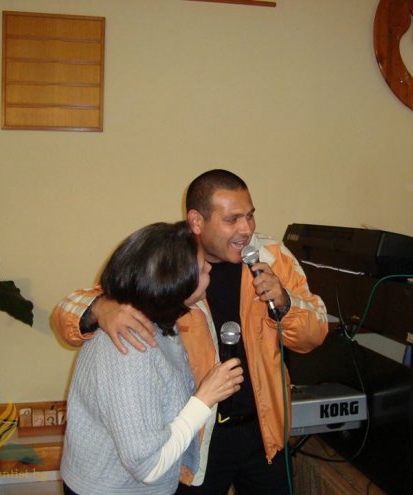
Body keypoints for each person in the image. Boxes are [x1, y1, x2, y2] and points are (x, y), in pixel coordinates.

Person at [52, 169, 329, 494]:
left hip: (263, 432)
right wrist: (100, 308)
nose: (246, 229)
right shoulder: (170, 264)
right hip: (196, 436)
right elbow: (68, 311)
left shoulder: (272, 256)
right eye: (232, 219)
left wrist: (285, 304)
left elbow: (316, 332)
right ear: (197, 221)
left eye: (250, 216)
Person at [60, 222, 244, 495]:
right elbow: (149, 467)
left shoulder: (157, 322)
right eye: (202, 266)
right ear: (174, 282)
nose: (209, 268)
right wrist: (205, 398)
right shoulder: (130, 350)